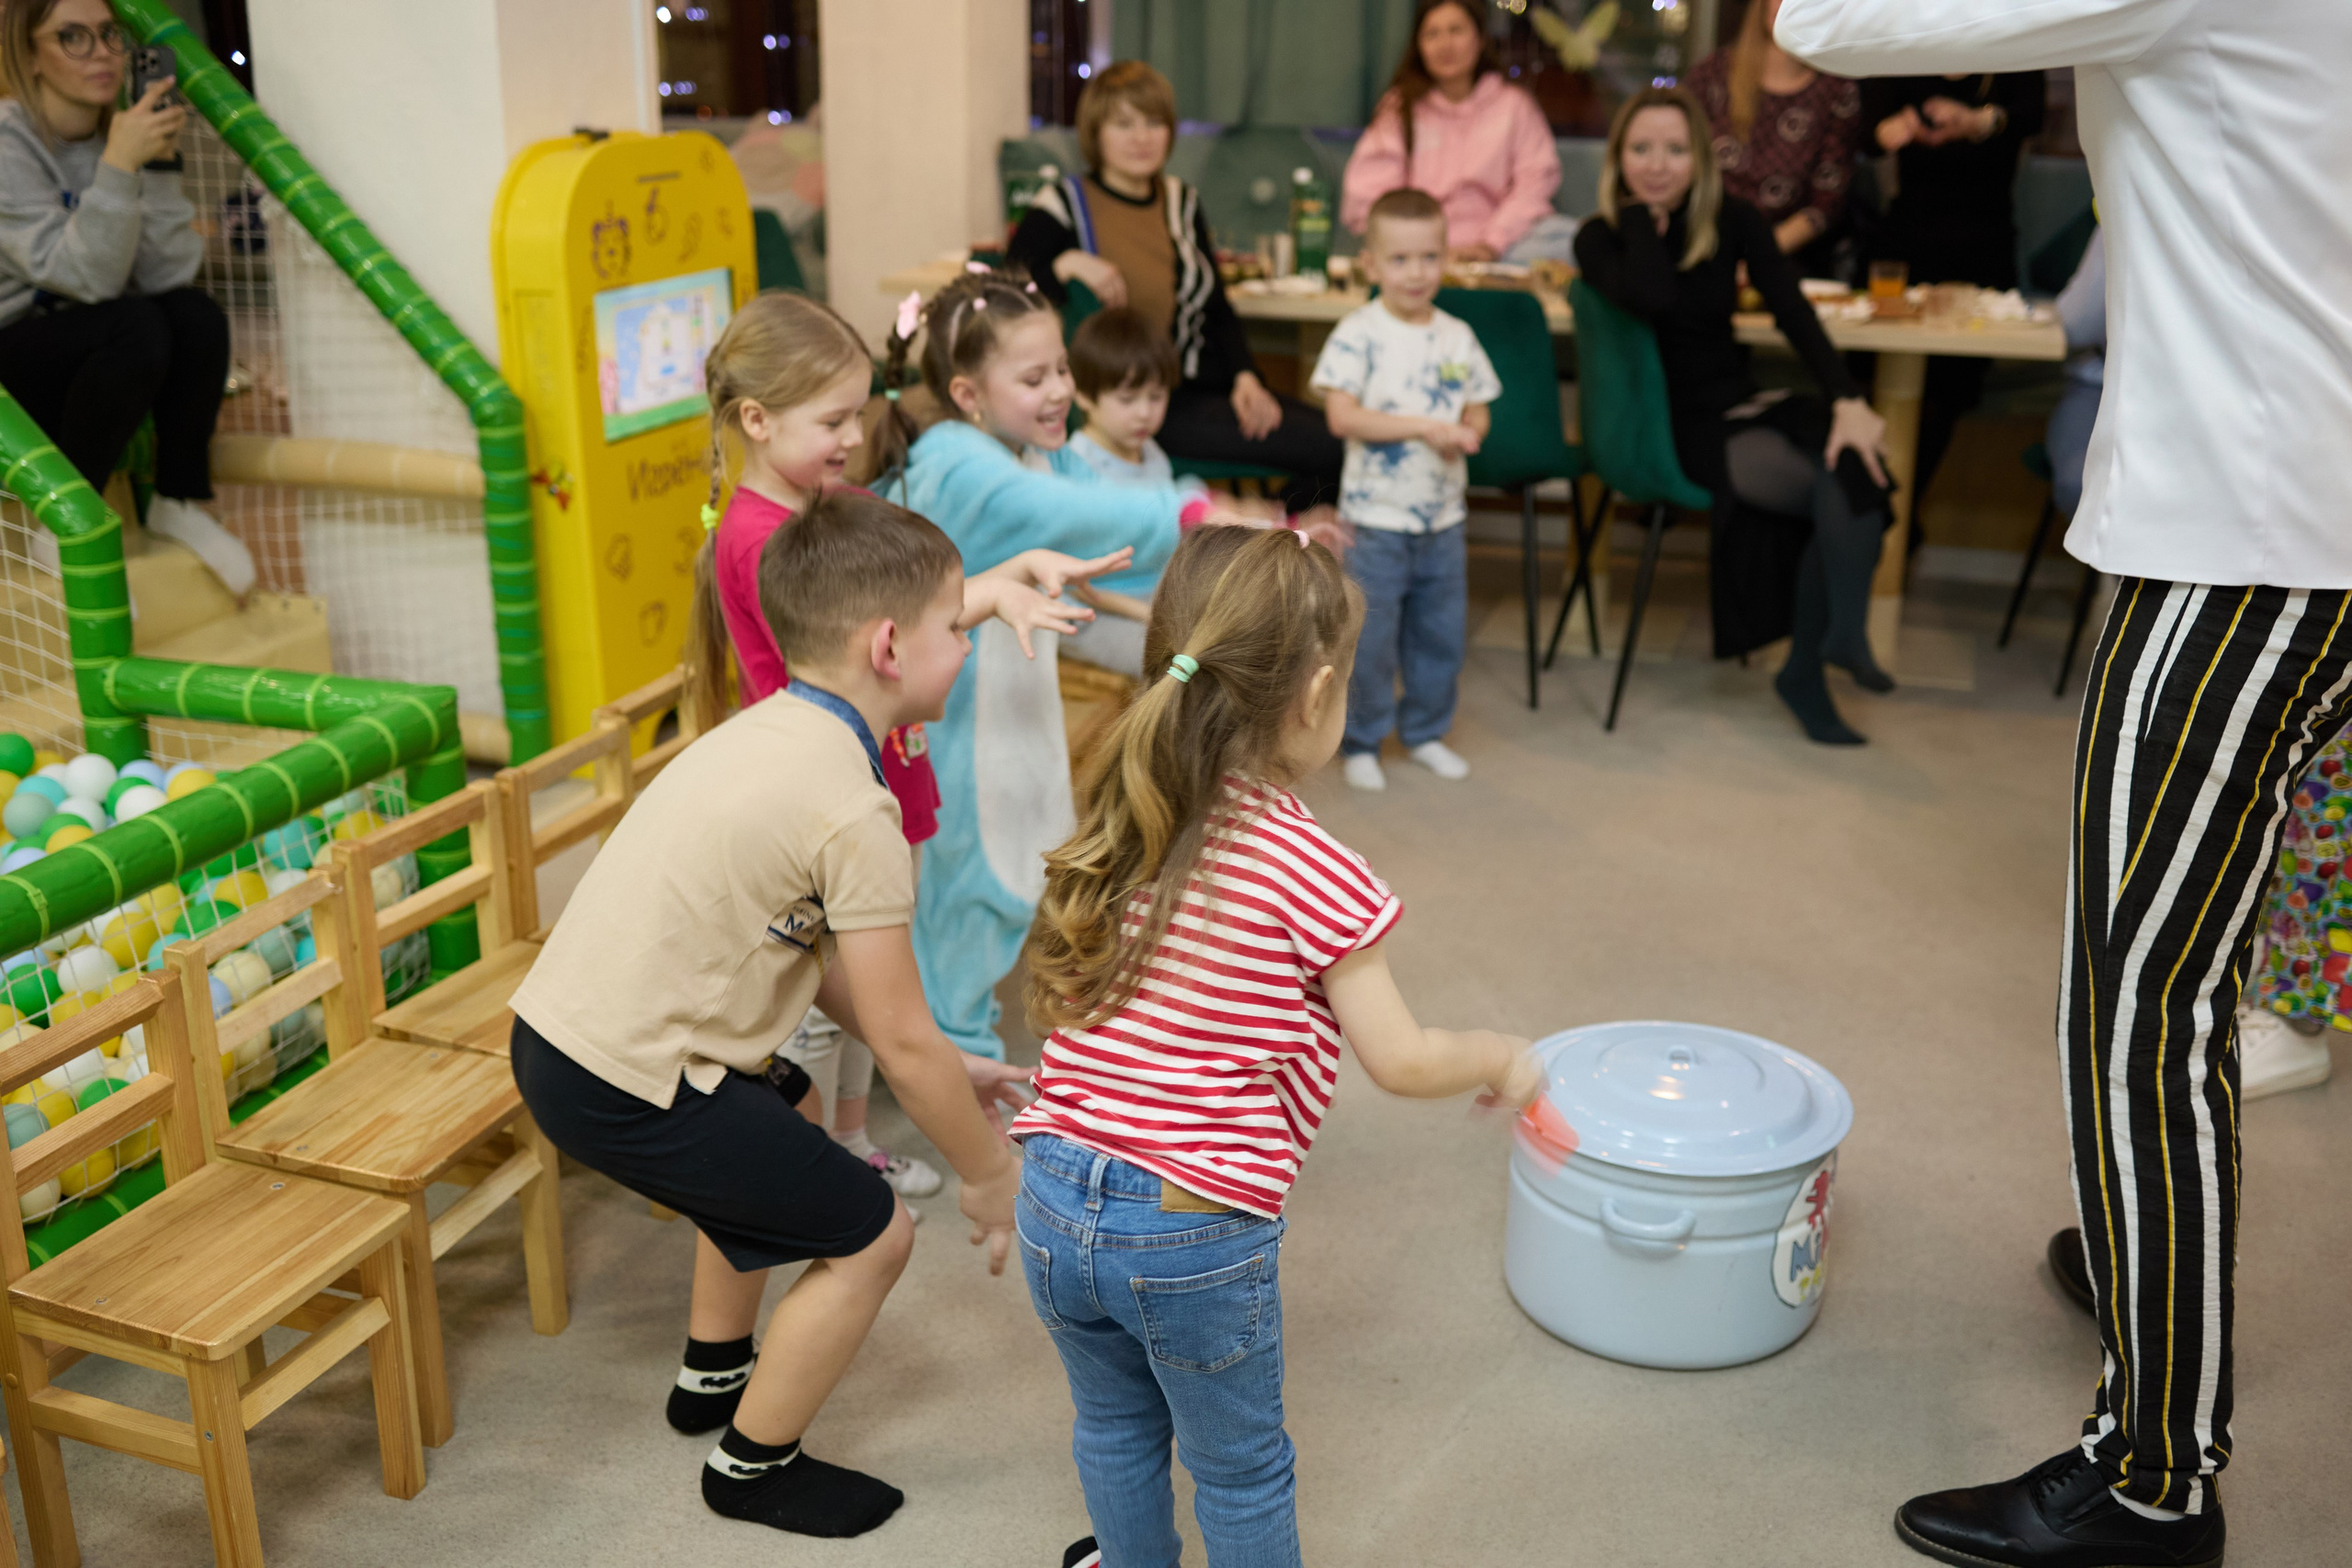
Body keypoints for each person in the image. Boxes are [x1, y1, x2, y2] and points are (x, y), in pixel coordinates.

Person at [1779, 2, 2351, 1563]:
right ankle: (2153, 1254)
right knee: (2190, 954)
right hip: (2290, 516)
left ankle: (2154, 1475)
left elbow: (1821, 22)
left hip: (2238, 541)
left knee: (2137, 1002)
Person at [1014, 524, 1544, 1568]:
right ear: (1313, 697)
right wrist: (1493, 1054)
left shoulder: (1126, 812)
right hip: (1188, 1226)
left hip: (1051, 1192)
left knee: (1114, 1426)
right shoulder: (1311, 864)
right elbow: (1397, 1058)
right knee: (1241, 1468)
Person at [509, 491, 1032, 1540]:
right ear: (889, 645)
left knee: (784, 1108)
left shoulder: (774, 732)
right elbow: (897, 1038)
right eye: (955, 628)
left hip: (566, 1043)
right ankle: (752, 1465)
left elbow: (825, 964)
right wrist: (988, 1171)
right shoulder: (854, 807)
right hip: (630, 1078)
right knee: (875, 1235)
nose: (967, 649)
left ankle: (712, 1374)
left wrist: (947, 1068)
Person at [679, 289, 1118, 1213]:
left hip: (881, 772)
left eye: (857, 416)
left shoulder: (820, 502)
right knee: (817, 1002)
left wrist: (1005, 579)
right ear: (755, 421)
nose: (852, 439)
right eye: (832, 420)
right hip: (824, 802)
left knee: (866, 985)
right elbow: (877, 641)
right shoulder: (770, 538)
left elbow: (902, 620)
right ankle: (799, 1174)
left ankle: (849, 1140)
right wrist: (995, 594)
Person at [872, 265, 1280, 1063]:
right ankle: (951, 1054)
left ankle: (947, 1034)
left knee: (1020, 850)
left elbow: (1099, 544)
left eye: (1061, 368)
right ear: (966, 394)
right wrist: (1194, 510)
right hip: (949, 708)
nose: (1060, 389)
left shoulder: (1032, 447)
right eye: (1034, 376)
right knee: (971, 875)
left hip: (1008, 685)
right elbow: (1076, 516)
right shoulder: (956, 460)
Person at [1573, 85, 1894, 746]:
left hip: (1742, 400)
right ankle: (1825, 652)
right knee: (1832, 487)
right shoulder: (1599, 237)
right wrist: (1641, 218)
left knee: (1858, 456)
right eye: (1641, 149)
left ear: (1700, 156)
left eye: (1674, 149)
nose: (1657, 163)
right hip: (1674, 426)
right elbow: (1655, 295)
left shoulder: (1734, 219)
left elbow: (1791, 308)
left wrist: (1848, 398)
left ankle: (1831, 645)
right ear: (1618, 157)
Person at [1007, 61, 1343, 513]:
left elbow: (1216, 307)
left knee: (1338, 441)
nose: (1142, 136)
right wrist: (1065, 263)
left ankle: (1265, 548)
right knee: (1331, 448)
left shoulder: (1181, 201)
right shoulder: (1066, 203)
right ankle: (1264, 551)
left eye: (1154, 122)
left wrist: (1247, 377)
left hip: (1207, 389)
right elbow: (1007, 286)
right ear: (1095, 133)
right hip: (1139, 403)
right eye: (1124, 123)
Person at [0, 0, 253, 594]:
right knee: (135, 326)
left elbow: (169, 274)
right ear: (30, 53)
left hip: (93, 332)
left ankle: (178, 500)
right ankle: (66, 524)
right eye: (73, 37)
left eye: (110, 35)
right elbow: (81, 278)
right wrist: (118, 164)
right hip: (12, 360)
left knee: (195, 316)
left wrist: (158, 169)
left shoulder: (121, 134)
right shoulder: (8, 146)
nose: (104, 54)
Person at [1310, 187, 1498, 792]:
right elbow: (1343, 417)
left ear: (1446, 257)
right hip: (1375, 519)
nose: (1416, 273)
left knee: (1440, 632)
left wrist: (1466, 433)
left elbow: (1479, 411)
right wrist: (1422, 427)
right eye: (1399, 259)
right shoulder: (1358, 332)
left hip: (1444, 519)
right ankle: (1361, 738)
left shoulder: (1457, 335)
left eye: (1428, 257)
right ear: (1370, 264)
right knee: (1370, 635)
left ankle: (1424, 731)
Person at [1863, 67, 2046, 512]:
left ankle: (1890, 516)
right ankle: (1880, 517)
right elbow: (1862, 130)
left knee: (1947, 391)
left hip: (1981, 247)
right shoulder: (1904, 44)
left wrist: (1980, 121)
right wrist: (1888, 132)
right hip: (1906, 241)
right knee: (1867, 377)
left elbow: (2030, 116)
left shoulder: (2012, 47)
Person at [1340, 0, 1569, 265]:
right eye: (1432, 34)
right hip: (1420, 253)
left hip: (1503, 249)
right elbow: (1369, 196)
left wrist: (1490, 244)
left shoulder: (1514, 105)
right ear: (1419, 46)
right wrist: (1426, 247)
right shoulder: (1400, 108)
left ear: (1480, 39)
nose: (1445, 45)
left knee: (1572, 241)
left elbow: (1535, 183)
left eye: (1456, 30)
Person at [1685, 0, 1864, 267]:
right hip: (1704, 248)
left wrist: (1757, 256)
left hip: (1787, 260)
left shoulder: (1837, 91)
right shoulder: (1713, 74)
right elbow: (1680, 163)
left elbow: (1827, 201)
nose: (1784, 5)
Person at [2045, 224, 2102, 519]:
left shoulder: (2130, 212)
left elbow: (2075, 325)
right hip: (2104, 388)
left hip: (2104, 385)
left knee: (2082, 486)